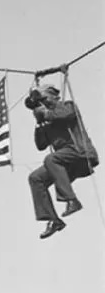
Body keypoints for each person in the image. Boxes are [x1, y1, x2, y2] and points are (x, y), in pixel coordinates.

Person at [26, 83, 98, 239]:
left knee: (51, 159)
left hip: (80, 152)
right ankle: (53, 220)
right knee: (35, 178)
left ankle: (72, 200)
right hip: (64, 161)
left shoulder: (67, 106)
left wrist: (45, 114)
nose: (43, 103)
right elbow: (41, 145)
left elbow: (64, 115)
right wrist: (39, 124)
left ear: (55, 96)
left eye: (45, 99)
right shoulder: (48, 118)